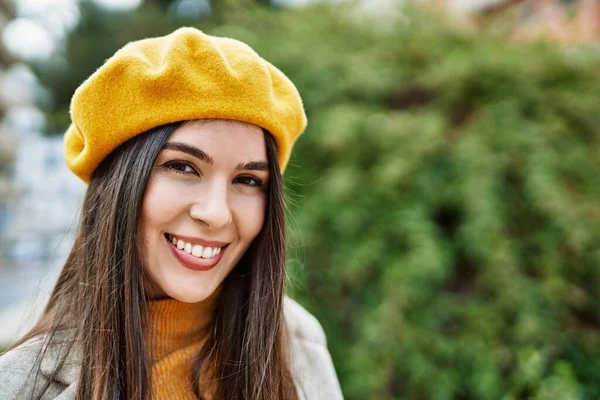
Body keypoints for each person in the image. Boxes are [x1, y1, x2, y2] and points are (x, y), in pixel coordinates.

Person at [0, 27, 343, 400]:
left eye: (247, 179)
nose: (215, 213)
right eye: (182, 167)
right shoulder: (21, 386)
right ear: (118, 185)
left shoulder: (298, 342)